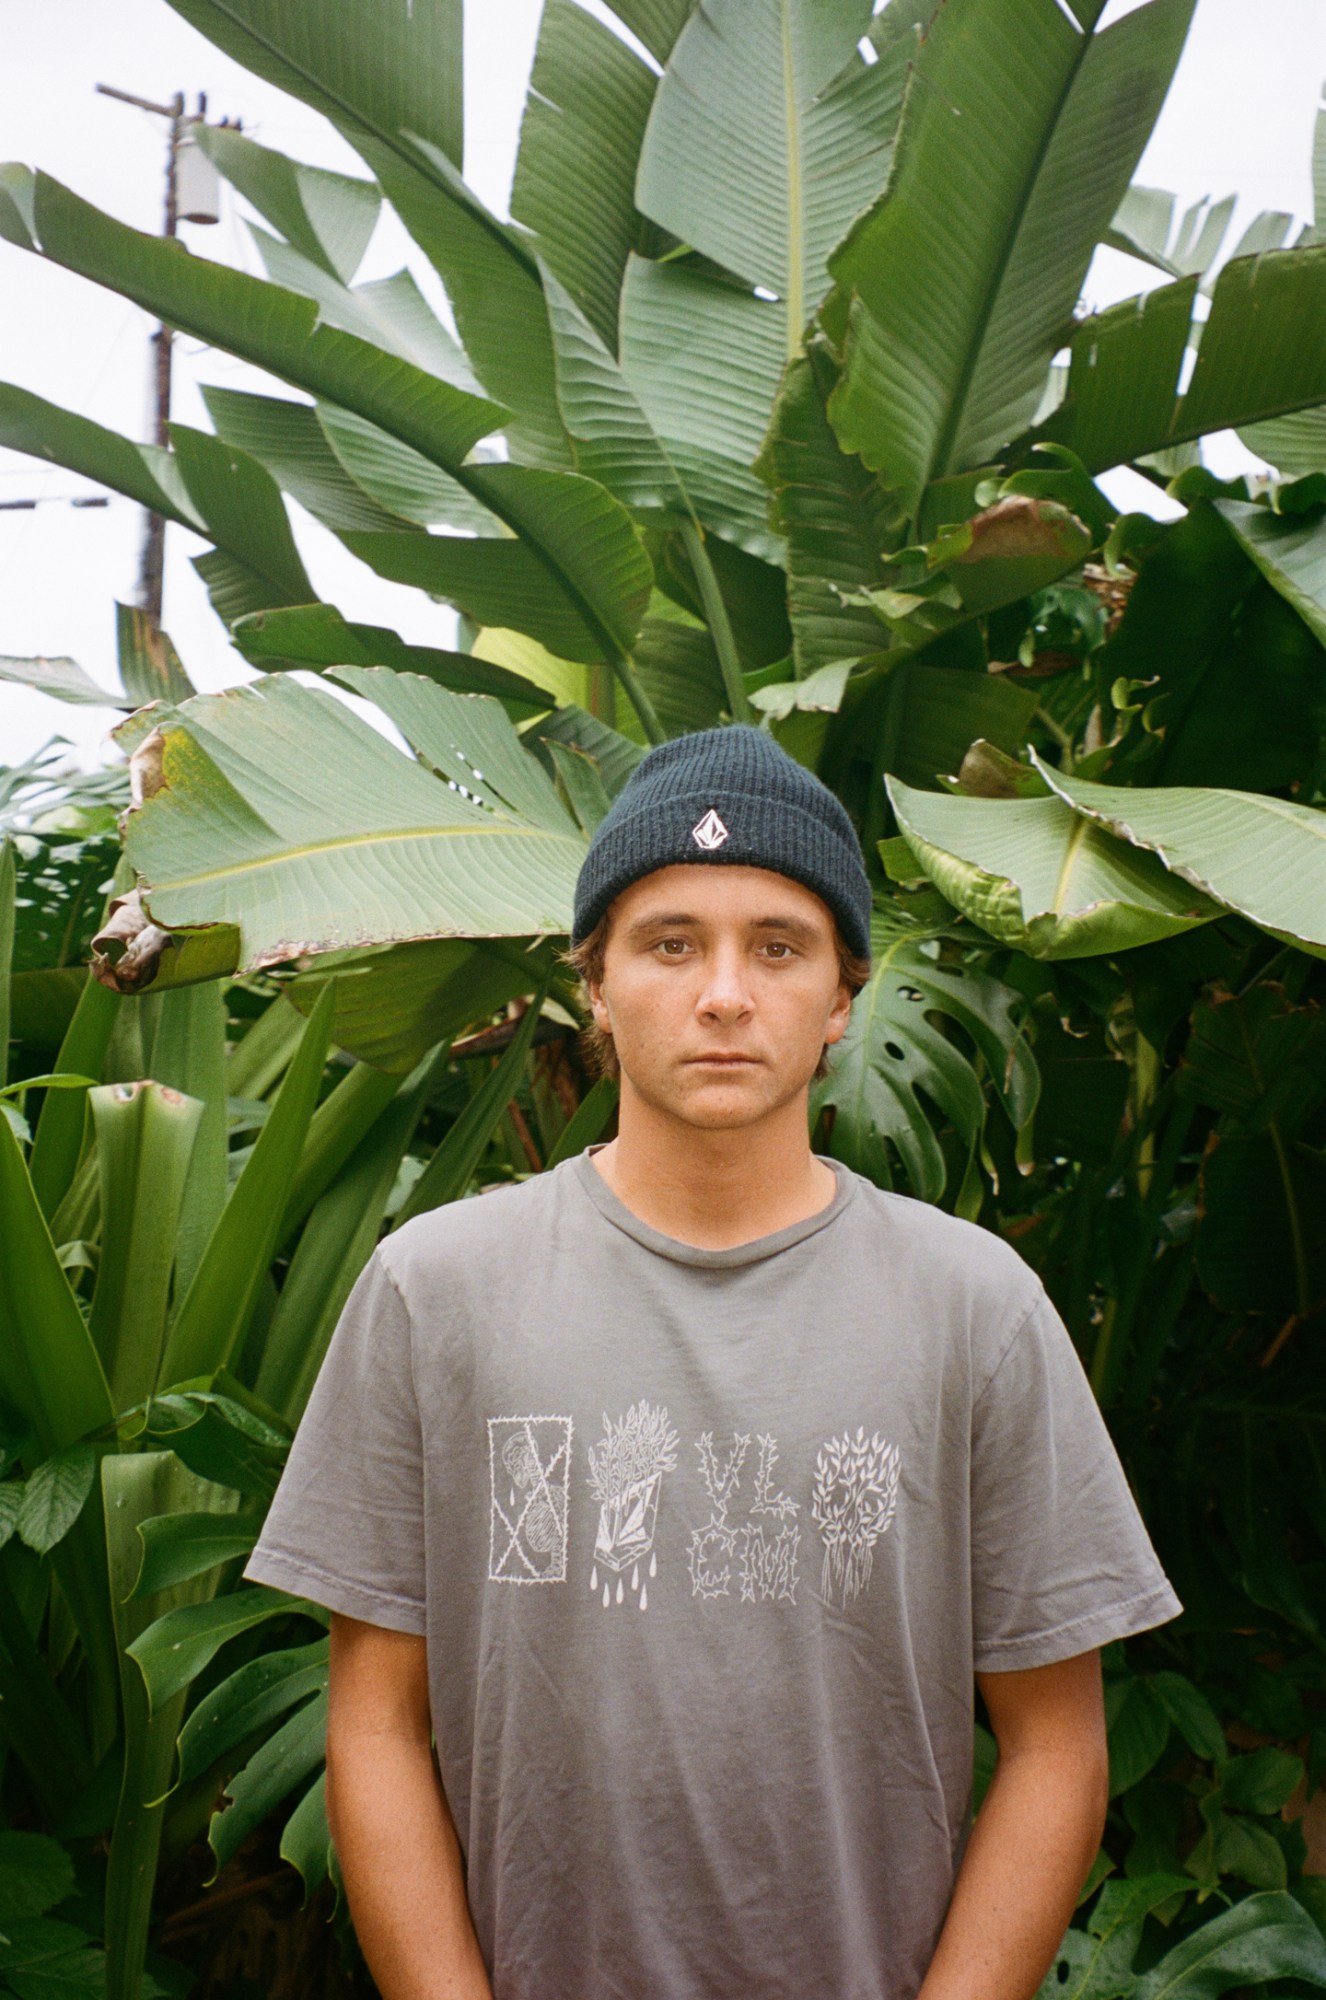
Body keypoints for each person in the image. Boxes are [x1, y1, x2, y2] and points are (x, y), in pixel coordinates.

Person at [244, 725, 1180, 2000]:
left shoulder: (975, 1305)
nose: (724, 992)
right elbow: (375, 1719)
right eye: (670, 942)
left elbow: (1059, 1744)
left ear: (845, 992)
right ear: (596, 981)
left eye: (778, 946)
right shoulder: (438, 1287)